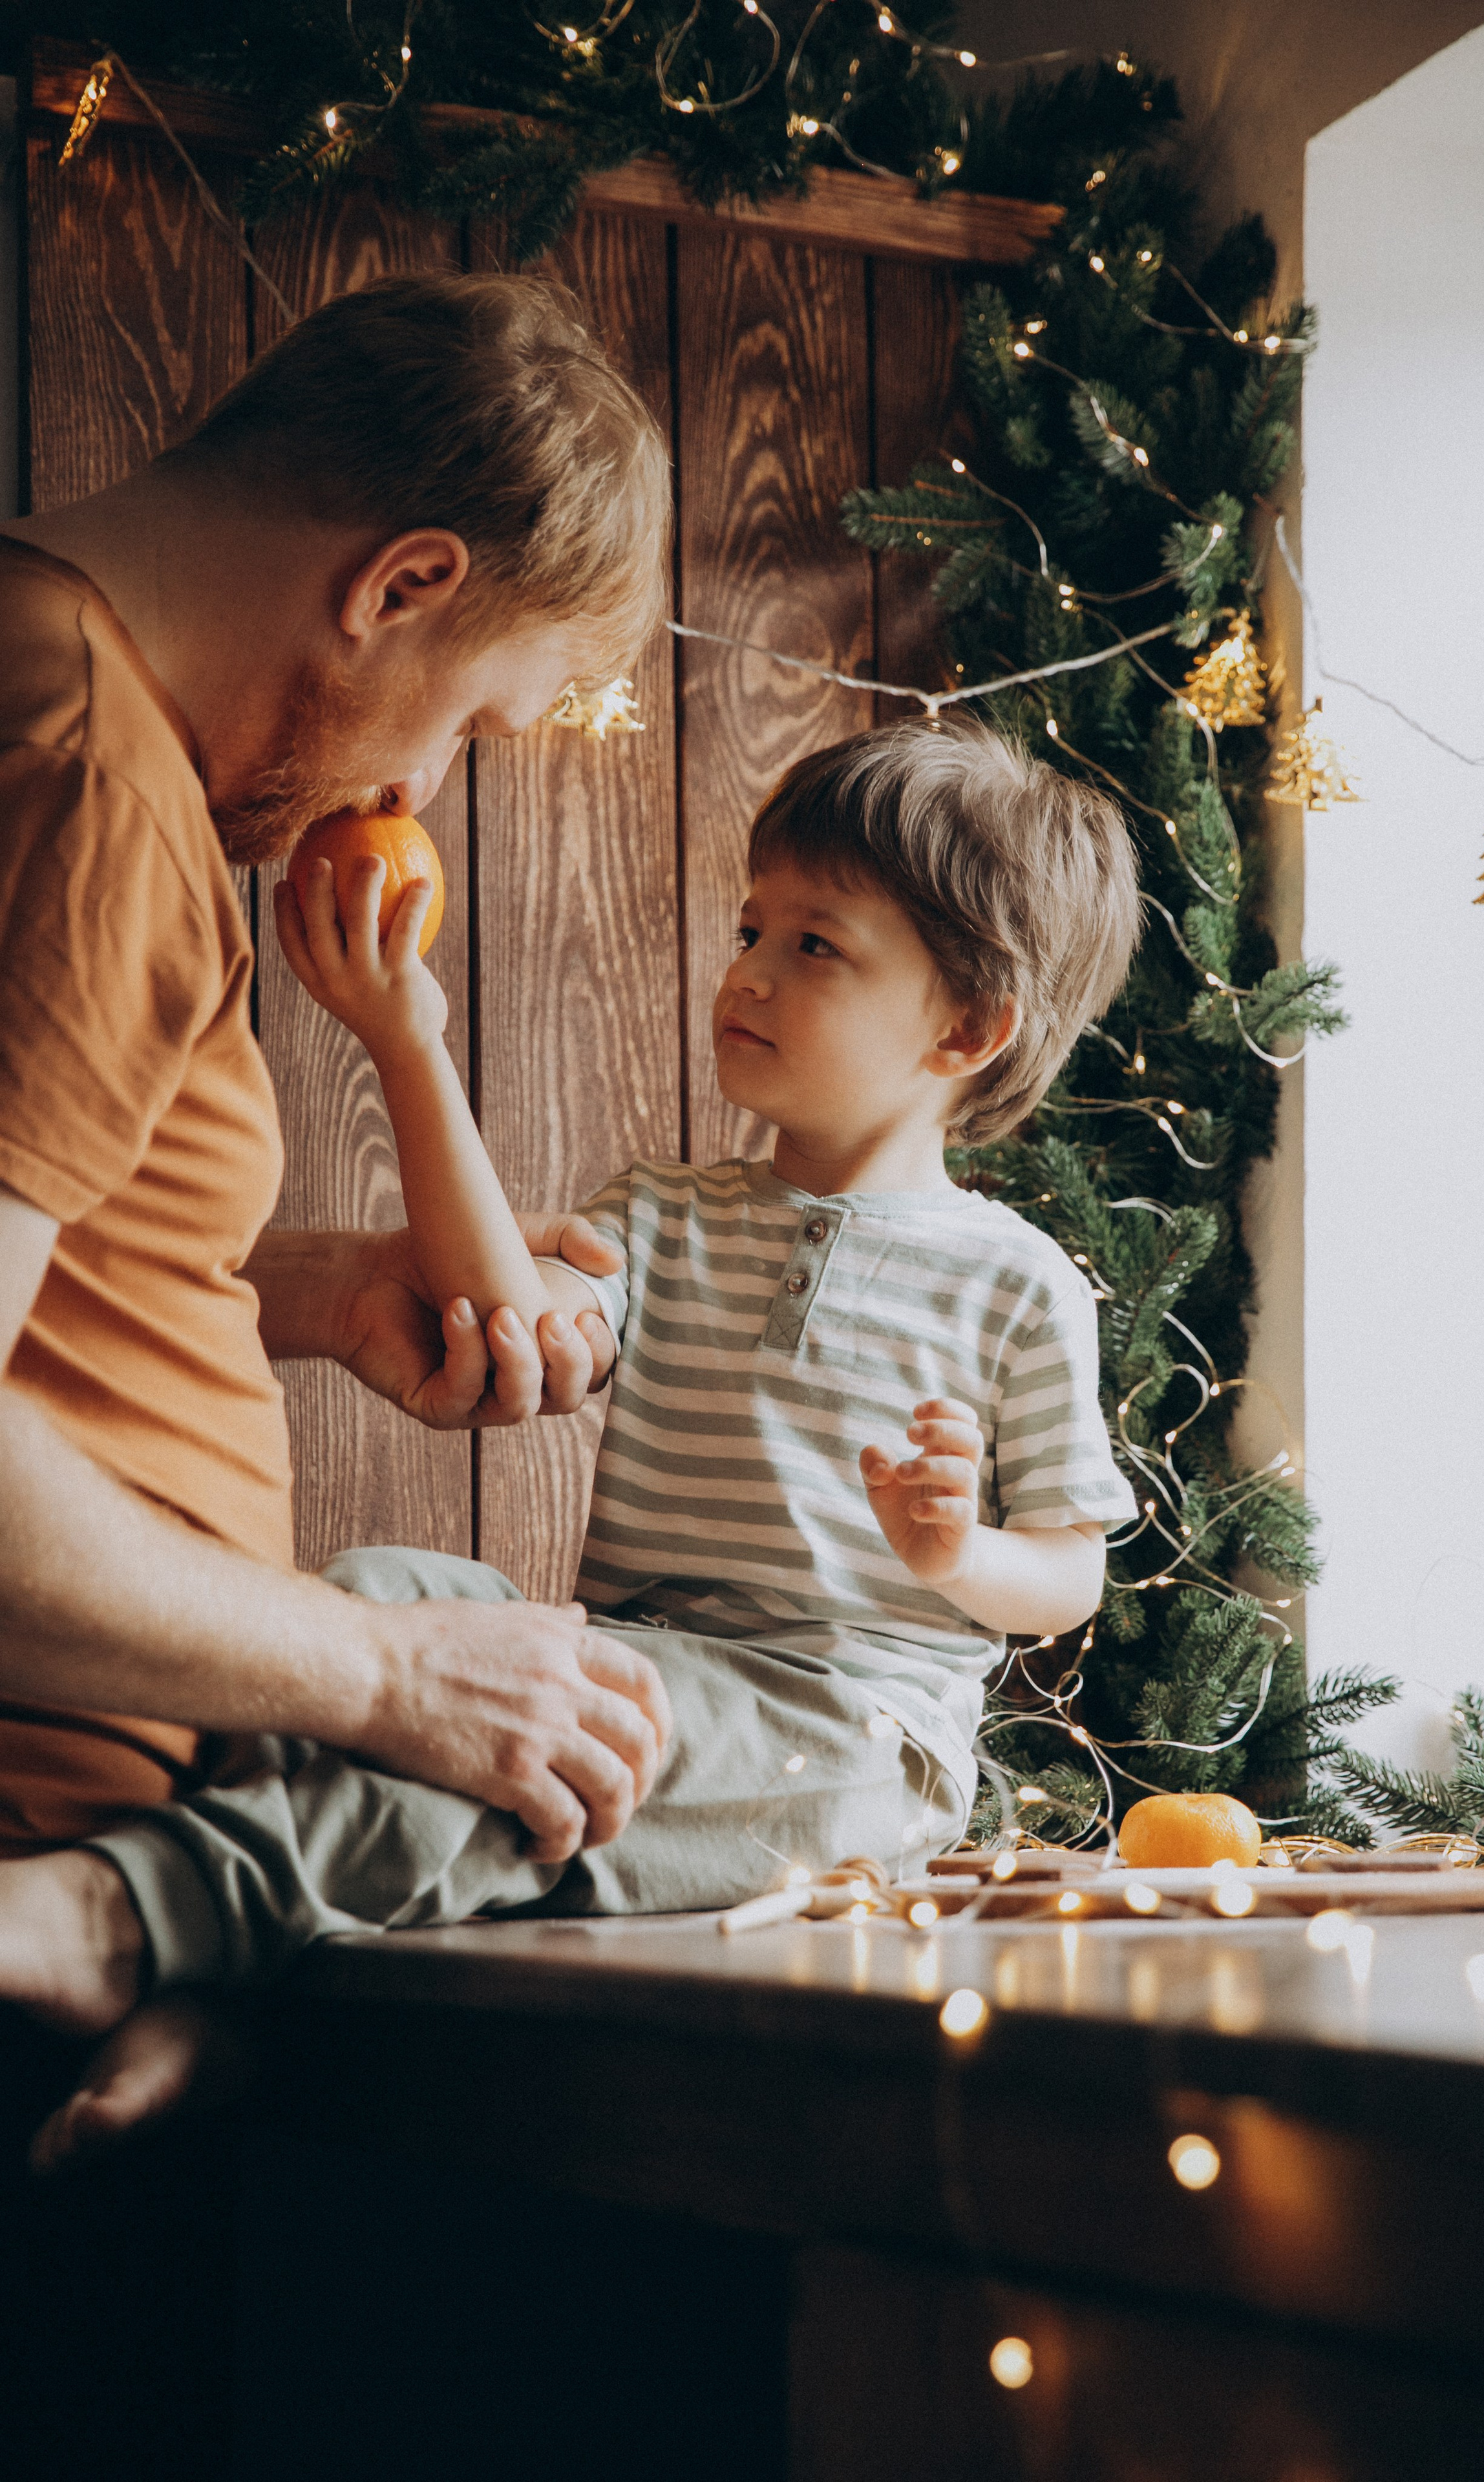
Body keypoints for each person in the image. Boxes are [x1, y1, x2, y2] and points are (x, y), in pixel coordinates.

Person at [6, 716, 1142, 2099]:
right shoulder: (664, 1219)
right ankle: (240, 1985)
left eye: (815, 946)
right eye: (750, 928)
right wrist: (404, 1039)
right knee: (373, 1594)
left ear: (964, 1028)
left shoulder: (1018, 1285)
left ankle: (115, 1919)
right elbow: (515, 1327)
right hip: (632, 1658)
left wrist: (956, 1556)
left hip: (841, 1742)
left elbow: (1069, 1577)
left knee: (517, 1756)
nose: (749, 974)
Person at [0, 273, 677, 2154]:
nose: (417, 789)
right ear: (401, 583)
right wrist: (395, 1671)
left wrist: (293, 1291)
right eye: (472, 720)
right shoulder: (88, 781)